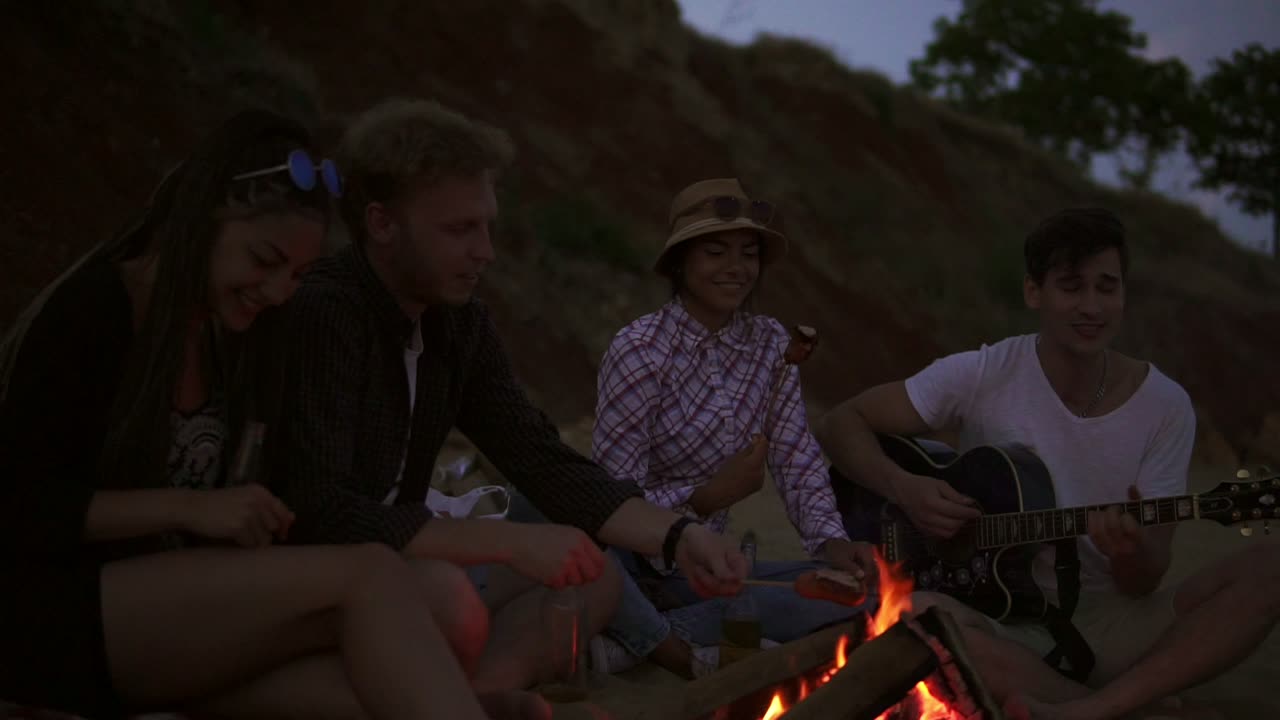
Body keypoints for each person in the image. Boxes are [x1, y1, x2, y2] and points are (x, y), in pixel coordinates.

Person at [0, 110, 518, 720]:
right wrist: (190, 508)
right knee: (372, 576)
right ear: (200, 222)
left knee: (414, 626)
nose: (276, 291)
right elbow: (20, 503)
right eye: (263, 259)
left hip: (176, 605)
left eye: (297, 274)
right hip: (52, 615)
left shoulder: (237, 334)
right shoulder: (96, 311)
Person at [269, 99, 748, 695]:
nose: (485, 251)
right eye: (459, 229)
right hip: (326, 577)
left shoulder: (455, 323)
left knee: (593, 577)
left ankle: (482, 695)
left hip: (411, 567)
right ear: (382, 224)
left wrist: (680, 537)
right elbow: (322, 511)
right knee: (454, 604)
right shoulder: (327, 312)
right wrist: (507, 541)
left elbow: (538, 456)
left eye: (487, 225)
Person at [814, 207, 1280, 720]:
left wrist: (1127, 553)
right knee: (909, 619)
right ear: (1034, 292)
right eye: (1071, 286)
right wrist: (906, 489)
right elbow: (842, 422)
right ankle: (1123, 705)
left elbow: (1146, 578)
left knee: (1269, 568)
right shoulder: (985, 371)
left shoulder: (1164, 406)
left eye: (1107, 287)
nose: (1091, 306)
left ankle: (1090, 708)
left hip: (1108, 620)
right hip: (992, 617)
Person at [588, 178, 878, 678]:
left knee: (862, 593)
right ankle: (653, 633)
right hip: (633, 561)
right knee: (600, 569)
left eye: (748, 253)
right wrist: (703, 499)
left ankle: (641, 639)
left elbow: (796, 457)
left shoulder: (770, 345)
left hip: (707, 573)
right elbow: (611, 498)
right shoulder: (639, 350)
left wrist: (832, 542)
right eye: (715, 252)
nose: (736, 268)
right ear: (681, 263)